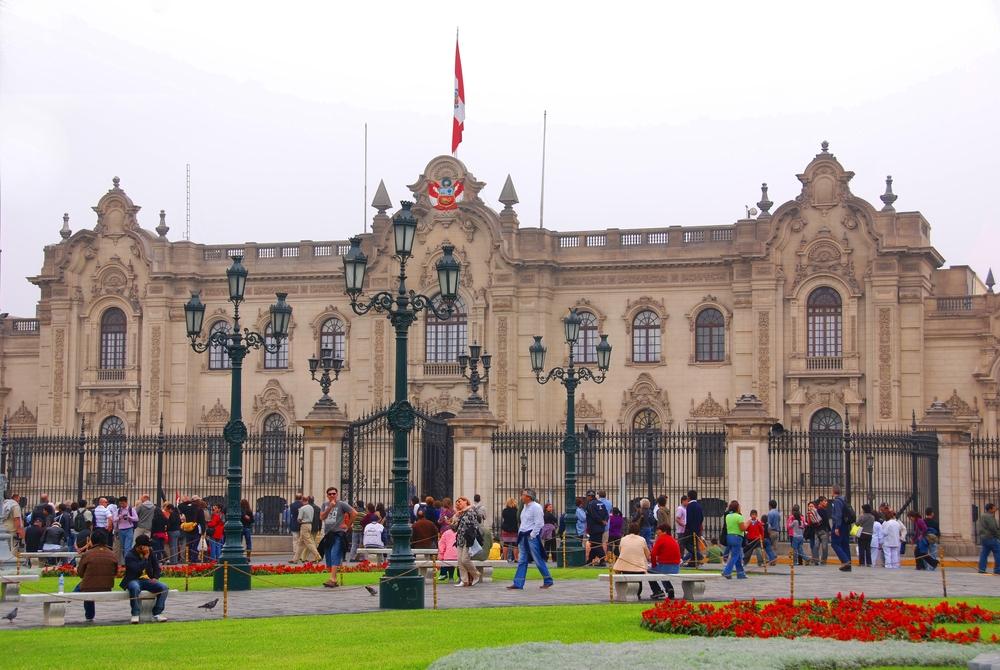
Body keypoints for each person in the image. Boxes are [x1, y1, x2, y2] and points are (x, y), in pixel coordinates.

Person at [507, 489, 554, 590]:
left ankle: (548, 580)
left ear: (529, 497)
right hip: (523, 535)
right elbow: (523, 522)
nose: (521, 497)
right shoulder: (524, 507)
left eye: (523, 495)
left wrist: (532, 535)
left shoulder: (536, 507)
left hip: (531, 535)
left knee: (537, 559)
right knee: (522, 559)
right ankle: (518, 582)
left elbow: (540, 523)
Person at [120, 534, 169, 624]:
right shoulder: (130, 556)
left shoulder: (150, 552)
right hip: (134, 579)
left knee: (164, 587)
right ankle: (135, 613)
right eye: (147, 546)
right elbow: (138, 569)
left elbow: (156, 566)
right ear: (141, 547)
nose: (149, 548)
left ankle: (157, 612)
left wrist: (155, 577)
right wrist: (145, 556)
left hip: (147, 579)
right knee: (134, 587)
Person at [74, 529, 118, 622]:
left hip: (89, 586)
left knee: (85, 585)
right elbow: (115, 572)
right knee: (86, 584)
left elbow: (80, 573)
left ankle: (88, 615)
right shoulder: (112, 554)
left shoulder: (87, 554)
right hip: (107, 585)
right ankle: (71, 596)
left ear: (92, 540)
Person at [318, 487, 355, 588]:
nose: (332, 495)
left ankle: (332, 579)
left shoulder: (341, 504)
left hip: (338, 533)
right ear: (327, 496)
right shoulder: (325, 505)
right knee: (329, 556)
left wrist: (347, 526)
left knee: (335, 554)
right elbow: (321, 517)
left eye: (334, 493)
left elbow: (354, 513)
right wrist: (330, 507)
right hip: (328, 534)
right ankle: (334, 579)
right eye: (330, 494)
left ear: (337, 494)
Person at [613, 522, 653, 598]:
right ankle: (638, 593)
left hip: (624, 567)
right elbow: (647, 554)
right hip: (639, 568)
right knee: (639, 582)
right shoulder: (642, 540)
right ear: (638, 532)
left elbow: (621, 551)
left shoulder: (623, 539)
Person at [453, 497, 484, 587]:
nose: (458, 503)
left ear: (465, 501)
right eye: (457, 502)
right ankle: (464, 580)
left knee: (465, 559)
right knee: (459, 560)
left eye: (460, 501)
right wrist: (455, 521)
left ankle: (476, 574)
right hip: (460, 538)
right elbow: (455, 528)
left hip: (468, 537)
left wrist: (461, 514)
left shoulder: (470, 511)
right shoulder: (459, 513)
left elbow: (472, 523)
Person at [649, 522, 681, 600]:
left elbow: (653, 554)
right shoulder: (673, 539)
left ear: (664, 531)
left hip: (665, 566)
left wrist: (653, 565)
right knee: (661, 571)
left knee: (649, 571)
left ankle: (657, 591)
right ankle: (669, 588)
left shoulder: (661, 539)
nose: (657, 532)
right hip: (676, 567)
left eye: (658, 530)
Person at [721, 500, 748, 579]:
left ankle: (740, 573)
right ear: (737, 508)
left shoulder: (728, 516)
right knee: (735, 556)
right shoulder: (739, 516)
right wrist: (748, 524)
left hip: (729, 536)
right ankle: (726, 571)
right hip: (737, 537)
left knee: (738, 555)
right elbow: (743, 528)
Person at [829, 485, 853, 572]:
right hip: (846, 524)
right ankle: (848, 565)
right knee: (845, 544)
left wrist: (837, 527)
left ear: (832, 491)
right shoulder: (844, 499)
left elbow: (838, 514)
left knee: (835, 543)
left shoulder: (837, 501)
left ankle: (845, 561)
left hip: (839, 524)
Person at [584, 490, 609, 565]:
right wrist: (605, 521)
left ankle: (602, 559)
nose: (586, 498)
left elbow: (593, 515)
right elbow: (606, 514)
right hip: (601, 527)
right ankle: (590, 560)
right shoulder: (601, 503)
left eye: (587, 496)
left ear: (590, 496)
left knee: (596, 544)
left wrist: (601, 521)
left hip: (594, 527)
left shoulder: (591, 504)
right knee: (594, 543)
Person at [294, 496, 321, 563]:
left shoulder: (302, 508)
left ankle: (317, 555)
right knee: (300, 543)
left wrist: (299, 513)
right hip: (310, 525)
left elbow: (299, 519)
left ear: (302, 500)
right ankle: (295, 559)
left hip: (304, 525)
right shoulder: (312, 508)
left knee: (309, 542)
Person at [977, 502, 1000, 575]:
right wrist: (998, 535)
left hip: (984, 538)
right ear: (989, 509)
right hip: (991, 538)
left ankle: (982, 568)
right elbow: (993, 527)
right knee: (997, 552)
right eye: (993, 508)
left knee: (984, 553)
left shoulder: (983, 516)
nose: (995, 509)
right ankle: (998, 569)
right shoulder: (990, 516)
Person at [684, 490, 704, 567]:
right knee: (694, 545)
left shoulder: (690, 506)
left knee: (686, 543)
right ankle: (693, 562)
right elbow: (702, 517)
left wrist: (687, 527)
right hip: (697, 529)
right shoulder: (699, 506)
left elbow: (689, 518)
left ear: (689, 497)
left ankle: (698, 555)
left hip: (691, 529)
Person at [501, 497, 520, 562]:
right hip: (514, 529)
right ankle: (516, 558)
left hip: (506, 529)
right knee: (515, 545)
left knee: (505, 544)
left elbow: (504, 517)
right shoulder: (517, 511)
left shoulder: (505, 511)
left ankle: (505, 558)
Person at [813, 497, 831, 565]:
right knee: (824, 546)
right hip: (823, 530)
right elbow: (826, 521)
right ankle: (823, 560)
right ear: (821, 502)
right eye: (825, 501)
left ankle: (815, 559)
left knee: (816, 545)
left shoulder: (816, 510)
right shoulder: (823, 510)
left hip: (816, 530)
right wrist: (829, 530)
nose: (826, 502)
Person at [288, 493, 304, 564]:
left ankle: (295, 554)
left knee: (295, 540)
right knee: (301, 540)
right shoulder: (303, 505)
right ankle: (301, 555)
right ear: (301, 498)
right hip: (302, 524)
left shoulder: (292, 505)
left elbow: (292, 514)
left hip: (294, 523)